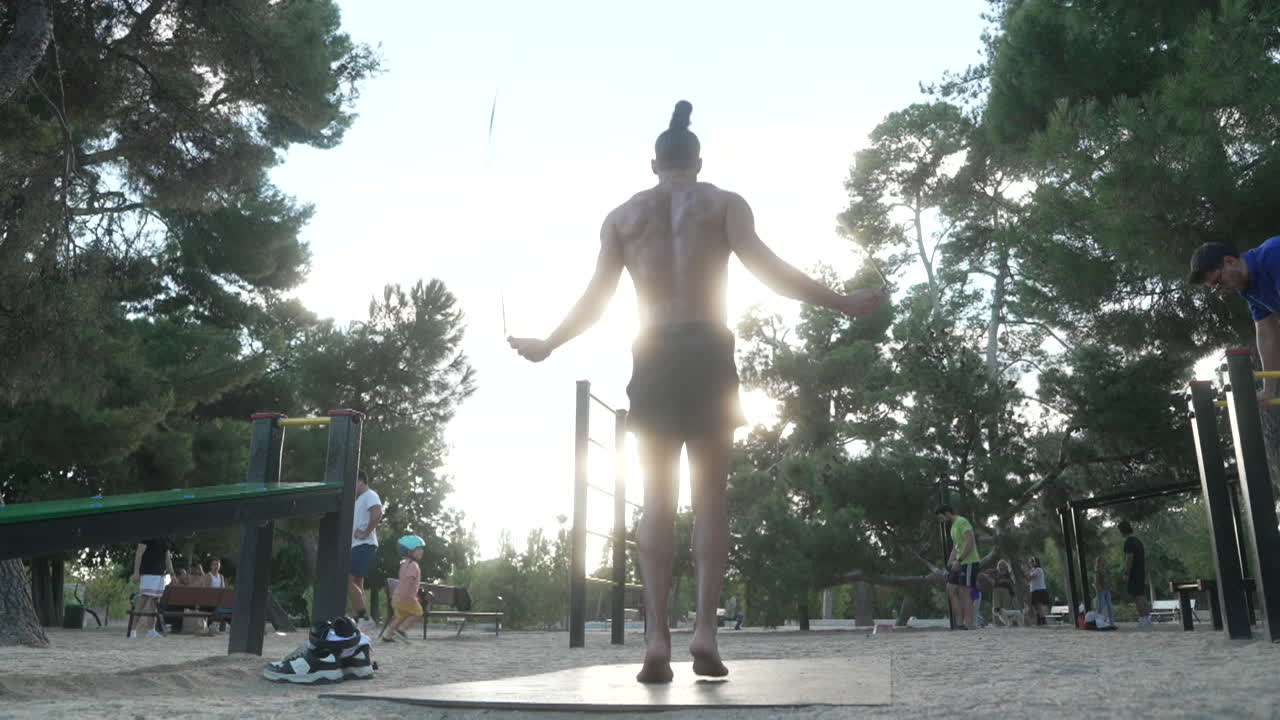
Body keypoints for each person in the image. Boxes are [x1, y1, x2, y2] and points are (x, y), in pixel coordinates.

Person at [508, 101, 888, 683]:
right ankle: (705, 632)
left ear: (653, 163)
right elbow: (769, 270)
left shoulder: (622, 217)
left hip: (654, 352)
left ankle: (657, 637)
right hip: (709, 350)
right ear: (699, 163)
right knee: (711, 498)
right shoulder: (724, 204)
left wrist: (549, 343)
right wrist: (841, 301)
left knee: (656, 499)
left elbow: (597, 299)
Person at [1188, 239, 1280, 401]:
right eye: (1216, 288)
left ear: (1230, 261)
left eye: (1219, 281)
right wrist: (1269, 389)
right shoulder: (1248, 288)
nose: (1221, 289)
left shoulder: (1273, 254)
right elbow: (1266, 336)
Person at [935, 505, 980, 630]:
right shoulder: (953, 527)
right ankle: (959, 624)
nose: (941, 520)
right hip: (959, 562)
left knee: (965, 591)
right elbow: (955, 549)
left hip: (969, 561)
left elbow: (970, 542)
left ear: (947, 513)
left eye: (941, 517)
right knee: (950, 589)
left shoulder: (962, 521)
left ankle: (969, 624)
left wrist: (959, 560)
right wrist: (947, 568)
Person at [349, 470, 383, 627]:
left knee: (346, 580)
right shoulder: (359, 500)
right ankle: (358, 619)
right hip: (357, 545)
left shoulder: (370, 495)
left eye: (353, 482)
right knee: (356, 582)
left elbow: (377, 513)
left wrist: (365, 533)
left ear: (360, 481)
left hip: (364, 545)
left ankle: (364, 617)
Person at [381, 535, 425, 643]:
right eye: (418, 549)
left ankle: (387, 635)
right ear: (409, 551)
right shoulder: (413, 565)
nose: (422, 551)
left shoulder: (404, 564)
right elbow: (409, 582)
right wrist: (409, 597)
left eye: (421, 549)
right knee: (418, 612)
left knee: (400, 616)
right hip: (405, 596)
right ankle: (401, 630)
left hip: (397, 596)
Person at [130, 538, 175, 638]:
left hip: (160, 575)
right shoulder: (148, 536)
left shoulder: (164, 538)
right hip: (148, 573)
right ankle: (133, 630)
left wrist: (172, 574)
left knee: (154, 603)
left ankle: (151, 631)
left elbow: (167, 558)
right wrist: (136, 572)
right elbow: (139, 553)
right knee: (143, 601)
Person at [1120, 520, 1152, 627]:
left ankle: (1143, 618)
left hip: (1133, 573)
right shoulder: (1138, 541)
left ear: (1122, 531)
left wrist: (1126, 573)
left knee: (1137, 596)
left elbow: (1129, 558)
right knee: (1142, 595)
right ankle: (1147, 618)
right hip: (1140, 571)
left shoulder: (1129, 542)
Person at [1027, 556, 1050, 626]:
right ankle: (1039, 619)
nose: (1030, 564)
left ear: (1035, 562)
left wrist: (1027, 572)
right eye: (1030, 562)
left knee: (1038, 605)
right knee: (1035, 606)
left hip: (1039, 589)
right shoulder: (1032, 570)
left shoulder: (1038, 570)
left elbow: (1030, 578)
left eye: (1032, 562)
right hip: (1034, 590)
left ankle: (1043, 619)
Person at [993, 559, 1016, 626]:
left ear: (1006, 566)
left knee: (1006, 607)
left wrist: (1012, 593)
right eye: (1000, 565)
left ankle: (1007, 623)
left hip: (1006, 590)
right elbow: (994, 582)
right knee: (996, 607)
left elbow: (1012, 582)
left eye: (1003, 564)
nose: (1002, 566)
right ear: (998, 565)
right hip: (996, 591)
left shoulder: (1008, 573)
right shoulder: (996, 573)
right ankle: (997, 623)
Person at [1094, 555, 1114, 625]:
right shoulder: (1097, 571)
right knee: (1101, 605)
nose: (1103, 562)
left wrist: (1111, 584)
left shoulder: (1107, 570)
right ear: (1098, 562)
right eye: (1101, 561)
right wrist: (1098, 588)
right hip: (1101, 590)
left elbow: (1110, 578)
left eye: (1103, 561)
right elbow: (1096, 581)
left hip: (1107, 589)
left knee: (1109, 605)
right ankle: (1099, 620)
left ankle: (1111, 621)